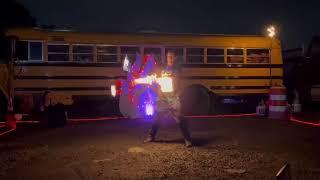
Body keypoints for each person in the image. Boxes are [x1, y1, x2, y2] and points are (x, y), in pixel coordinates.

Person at [144, 51, 192, 147]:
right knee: (157, 117)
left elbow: (174, 81)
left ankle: (187, 139)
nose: (169, 59)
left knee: (180, 118)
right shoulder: (162, 68)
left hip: (173, 98)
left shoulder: (177, 69)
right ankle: (151, 136)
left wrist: (160, 80)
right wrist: (153, 79)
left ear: (174, 58)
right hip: (162, 98)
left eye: (171, 57)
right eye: (168, 57)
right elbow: (155, 77)